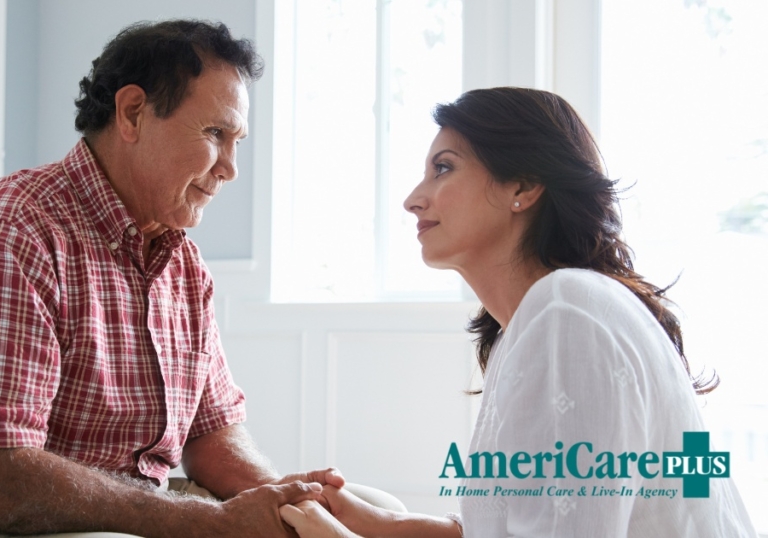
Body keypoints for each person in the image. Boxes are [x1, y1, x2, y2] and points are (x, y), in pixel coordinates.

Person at [0, 20, 346, 538]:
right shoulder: (10, 229)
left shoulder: (184, 264)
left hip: (129, 507)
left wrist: (288, 504)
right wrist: (210, 522)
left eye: (236, 140)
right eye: (216, 133)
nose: (230, 168)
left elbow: (212, 435)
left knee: (354, 509)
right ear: (132, 113)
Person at [277, 87, 757, 537]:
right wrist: (382, 523)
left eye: (443, 168)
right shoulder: (542, 319)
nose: (413, 199)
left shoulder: (568, 313)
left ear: (523, 187)